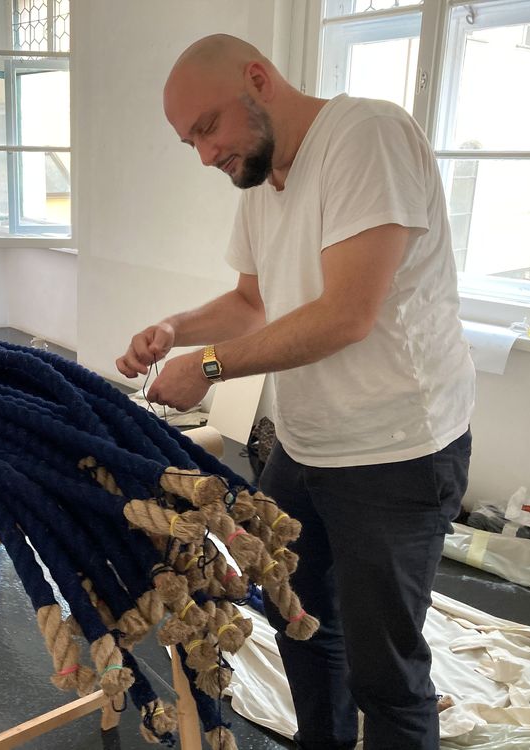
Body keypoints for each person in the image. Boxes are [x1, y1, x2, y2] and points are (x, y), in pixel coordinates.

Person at [116, 34, 475, 750]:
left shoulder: (366, 137)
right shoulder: (260, 177)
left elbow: (347, 314)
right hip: (308, 447)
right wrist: (176, 327)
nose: (205, 155)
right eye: (190, 142)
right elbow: (252, 302)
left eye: (208, 127)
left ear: (259, 79)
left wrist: (207, 366)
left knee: (386, 673)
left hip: (396, 453)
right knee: (300, 621)